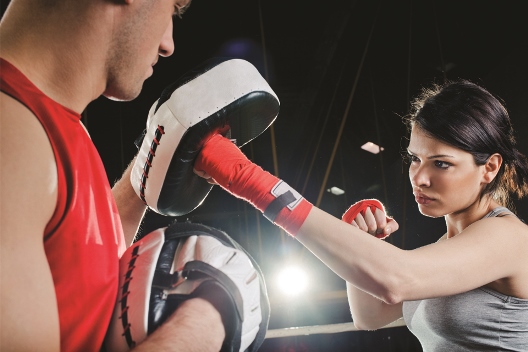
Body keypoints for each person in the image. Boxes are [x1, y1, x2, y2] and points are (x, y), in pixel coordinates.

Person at [194, 79, 528, 351]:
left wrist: (248, 180)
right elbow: (370, 316)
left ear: (490, 168)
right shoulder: (449, 246)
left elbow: (396, 281)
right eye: (415, 159)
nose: (420, 178)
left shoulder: (507, 237)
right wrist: (360, 239)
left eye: (441, 163)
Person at [0, 0, 232, 350]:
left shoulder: (45, 128)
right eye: (172, 9)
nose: (168, 44)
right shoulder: (12, 136)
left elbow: (83, 272)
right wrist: (204, 321)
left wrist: (149, 168)